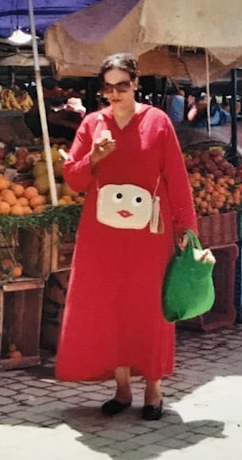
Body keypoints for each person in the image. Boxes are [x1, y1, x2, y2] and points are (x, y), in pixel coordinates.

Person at [56, 53, 197, 421]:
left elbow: (177, 180)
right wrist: (95, 159)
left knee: (148, 306)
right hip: (102, 234)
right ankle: (121, 389)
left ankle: (153, 388)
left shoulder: (158, 122)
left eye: (122, 85)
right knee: (110, 306)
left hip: (150, 233)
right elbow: (73, 179)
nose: (115, 93)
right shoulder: (91, 124)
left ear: (136, 83)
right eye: (108, 87)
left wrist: (188, 230)